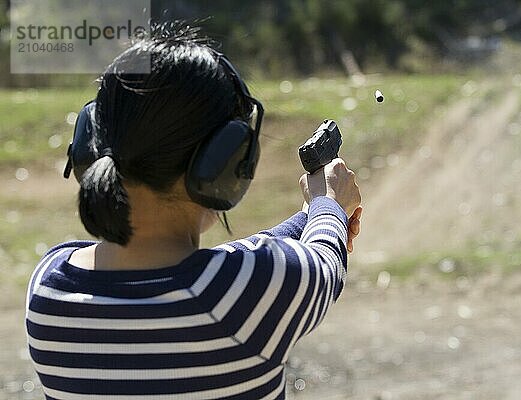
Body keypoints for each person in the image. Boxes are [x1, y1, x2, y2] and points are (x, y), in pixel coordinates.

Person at [25, 22, 362, 400]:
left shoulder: (49, 288)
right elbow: (322, 264)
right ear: (222, 164)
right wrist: (329, 203)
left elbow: (217, 268)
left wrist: (308, 215)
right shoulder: (250, 293)